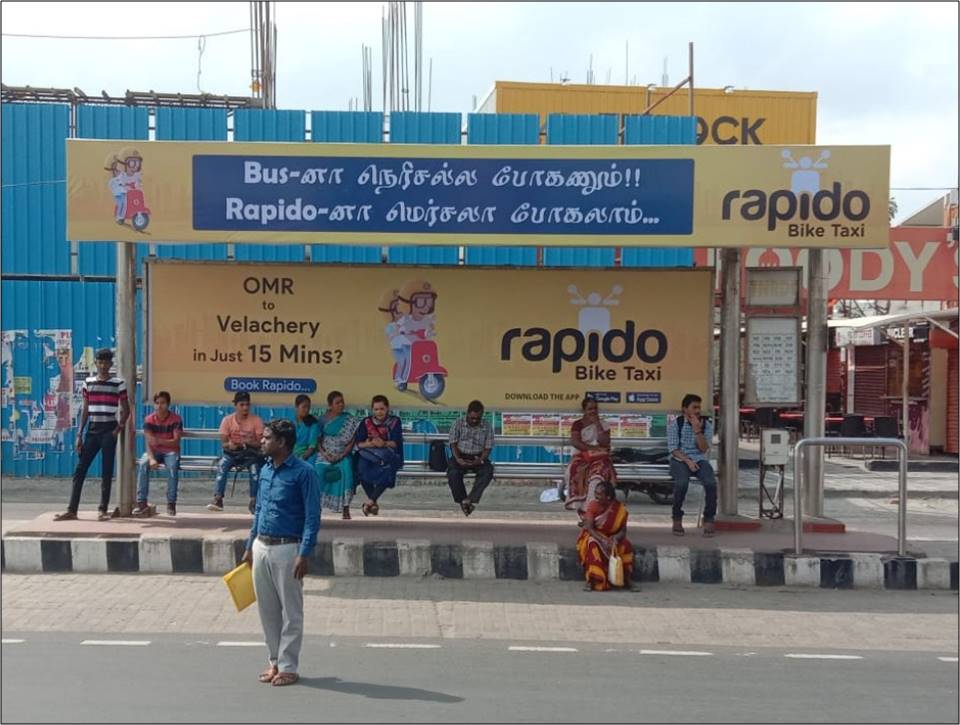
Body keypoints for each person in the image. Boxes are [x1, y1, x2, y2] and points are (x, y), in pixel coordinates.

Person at [241, 419, 321, 688]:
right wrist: (249, 544)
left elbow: (312, 516)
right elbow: (260, 510)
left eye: (266, 438)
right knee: (268, 610)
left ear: (282, 443)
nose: (261, 441)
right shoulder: (265, 470)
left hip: (288, 548)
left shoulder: (304, 473)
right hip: (261, 546)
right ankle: (274, 660)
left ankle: (289, 666)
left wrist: (304, 552)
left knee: (291, 611)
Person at [54, 348, 130, 522]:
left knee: (106, 471)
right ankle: (72, 509)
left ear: (111, 364)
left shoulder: (118, 383)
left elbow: (126, 410)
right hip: (93, 430)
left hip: (109, 429)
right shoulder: (88, 383)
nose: (103, 365)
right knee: (80, 470)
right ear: (95, 363)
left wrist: (118, 429)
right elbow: (85, 410)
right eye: (100, 362)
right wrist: (79, 434)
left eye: (106, 362)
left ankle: (102, 509)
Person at [668, 393, 717, 537]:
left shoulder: (705, 425)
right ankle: (677, 517)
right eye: (694, 407)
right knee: (682, 483)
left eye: (699, 407)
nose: (697, 411)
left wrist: (697, 430)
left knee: (710, 484)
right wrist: (688, 461)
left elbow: (703, 449)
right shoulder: (676, 424)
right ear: (685, 409)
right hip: (680, 460)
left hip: (699, 460)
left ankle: (709, 518)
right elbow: (673, 449)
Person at [208, 392, 265, 514]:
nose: (245, 408)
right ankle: (218, 498)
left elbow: (261, 443)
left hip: (250, 454)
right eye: (242, 404)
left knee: (255, 471)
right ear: (236, 405)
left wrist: (248, 443)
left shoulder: (256, 420)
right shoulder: (227, 420)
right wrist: (230, 445)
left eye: (247, 405)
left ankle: (254, 500)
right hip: (232, 454)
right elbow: (223, 443)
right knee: (222, 466)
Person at [577, 480, 635, 591]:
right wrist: (603, 540)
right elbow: (589, 528)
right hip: (594, 535)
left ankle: (627, 579)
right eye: (595, 493)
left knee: (626, 545)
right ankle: (592, 580)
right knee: (592, 544)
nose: (596, 496)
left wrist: (615, 539)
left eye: (599, 494)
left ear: (608, 497)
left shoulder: (620, 509)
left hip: (613, 537)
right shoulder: (593, 506)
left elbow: (623, 531)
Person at [133, 391, 183, 517]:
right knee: (143, 464)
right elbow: (149, 442)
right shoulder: (149, 420)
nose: (159, 406)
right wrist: (151, 458)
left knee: (172, 468)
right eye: (157, 403)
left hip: (170, 451)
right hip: (154, 451)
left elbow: (176, 441)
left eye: (163, 403)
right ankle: (141, 502)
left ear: (168, 404)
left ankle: (171, 502)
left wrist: (160, 441)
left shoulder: (176, 419)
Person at [564, 396, 617, 513]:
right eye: (590, 409)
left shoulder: (603, 424)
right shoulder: (577, 424)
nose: (593, 411)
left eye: (595, 408)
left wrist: (597, 424)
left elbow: (605, 442)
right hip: (581, 456)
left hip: (600, 458)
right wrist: (592, 449)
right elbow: (575, 442)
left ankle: (592, 509)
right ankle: (581, 509)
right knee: (573, 471)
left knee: (597, 477)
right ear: (584, 410)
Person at [355, 395, 404, 516]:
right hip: (368, 453)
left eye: (382, 409)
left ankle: (370, 502)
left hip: (388, 454)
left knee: (388, 469)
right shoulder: (366, 422)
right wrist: (371, 443)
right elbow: (359, 444)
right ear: (372, 410)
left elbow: (396, 443)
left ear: (387, 408)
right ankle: (372, 502)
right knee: (360, 468)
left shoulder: (395, 422)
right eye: (376, 409)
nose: (379, 412)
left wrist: (384, 443)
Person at [315, 390, 359, 520]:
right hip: (325, 454)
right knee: (319, 470)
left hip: (343, 455)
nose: (341, 405)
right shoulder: (322, 420)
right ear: (330, 405)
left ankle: (345, 509)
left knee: (346, 470)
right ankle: (317, 507)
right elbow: (318, 441)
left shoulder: (350, 420)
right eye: (337, 403)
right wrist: (325, 454)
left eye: (342, 402)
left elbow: (351, 442)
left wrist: (341, 455)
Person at [447, 400, 495, 517]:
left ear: (481, 416)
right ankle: (463, 500)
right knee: (453, 473)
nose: (474, 421)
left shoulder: (487, 426)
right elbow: (453, 443)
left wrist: (480, 460)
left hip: (478, 456)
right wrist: (458, 458)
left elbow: (488, 447)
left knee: (488, 471)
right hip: (460, 454)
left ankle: (470, 499)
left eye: (477, 418)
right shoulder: (458, 423)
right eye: (472, 418)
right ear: (467, 414)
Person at [293, 395, 320, 464]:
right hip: (292, 455)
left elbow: (312, 447)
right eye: (304, 407)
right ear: (296, 407)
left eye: (308, 407)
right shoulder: (291, 423)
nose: (307, 410)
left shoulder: (313, 424)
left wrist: (302, 458)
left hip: (308, 456)